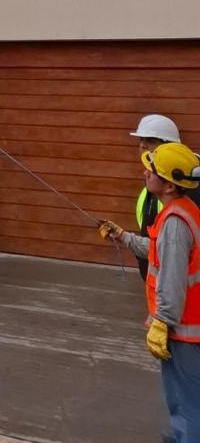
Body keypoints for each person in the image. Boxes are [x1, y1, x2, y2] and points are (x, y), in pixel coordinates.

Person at [100, 142, 200, 443]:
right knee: (187, 397)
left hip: (183, 330)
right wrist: (123, 237)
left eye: (152, 169)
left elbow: (170, 278)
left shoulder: (175, 222)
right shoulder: (183, 210)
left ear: (168, 184)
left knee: (186, 402)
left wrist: (162, 322)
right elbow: (160, 252)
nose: (145, 172)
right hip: (188, 327)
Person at [130, 115, 182, 280]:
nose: (143, 145)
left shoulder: (183, 189)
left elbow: (169, 249)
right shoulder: (153, 182)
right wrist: (123, 236)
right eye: (141, 140)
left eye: (151, 140)